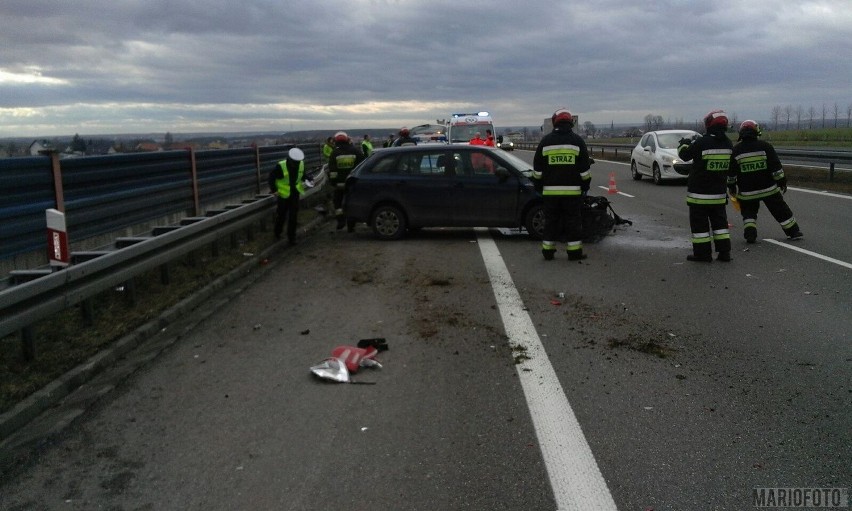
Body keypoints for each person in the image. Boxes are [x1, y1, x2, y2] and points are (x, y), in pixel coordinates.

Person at [728, 120, 803, 243]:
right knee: (781, 211)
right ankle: (793, 232)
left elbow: (731, 173)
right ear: (756, 132)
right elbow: (776, 168)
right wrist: (782, 182)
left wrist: (731, 187)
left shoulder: (736, 150)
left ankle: (750, 234)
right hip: (769, 190)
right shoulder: (765, 147)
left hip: (747, 193)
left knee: (749, 214)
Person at [532, 108, 592, 261]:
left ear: (555, 122)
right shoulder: (577, 141)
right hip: (572, 194)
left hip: (550, 194)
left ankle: (548, 252)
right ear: (570, 122)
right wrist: (585, 187)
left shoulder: (545, 142)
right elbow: (585, 171)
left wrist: (539, 187)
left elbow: (537, 170)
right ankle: (574, 253)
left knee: (550, 222)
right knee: (573, 223)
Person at [677, 109, 734, 262]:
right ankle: (724, 253)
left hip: (699, 195)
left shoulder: (702, 142)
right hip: (719, 195)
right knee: (721, 226)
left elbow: (684, 155)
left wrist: (683, 144)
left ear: (709, 124)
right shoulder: (728, 143)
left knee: (700, 227)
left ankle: (703, 254)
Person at [268, 147, 307, 244]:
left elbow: (303, 175)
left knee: (293, 216)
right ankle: (277, 232)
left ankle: (292, 237)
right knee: (281, 215)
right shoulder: (281, 166)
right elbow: (271, 178)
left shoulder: (301, 164)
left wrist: (309, 178)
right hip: (283, 194)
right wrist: (274, 190)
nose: (296, 164)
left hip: (294, 193)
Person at [328, 131, 365, 229]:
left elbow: (332, 171)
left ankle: (340, 220)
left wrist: (333, 182)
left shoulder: (334, 153)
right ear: (347, 140)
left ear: (336, 141)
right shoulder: (355, 151)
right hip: (353, 183)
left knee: (338, 202)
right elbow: (362, 165)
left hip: (340, 184)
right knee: (353, 202)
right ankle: (351, 223)